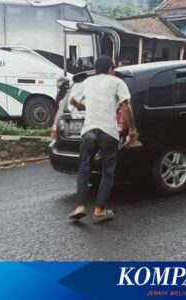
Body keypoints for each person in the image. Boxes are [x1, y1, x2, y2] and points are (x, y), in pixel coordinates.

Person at [68, 56, 139, 223]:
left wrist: (85, 107)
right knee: (107, 172)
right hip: (108, 133)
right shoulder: (116, 82)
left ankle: (79, 206)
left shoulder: (87, 82)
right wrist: (133, 129)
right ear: (110, 69)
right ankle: (100, 210)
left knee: (84, 169)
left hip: (89, 131)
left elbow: (73, 101)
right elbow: (125, 106)